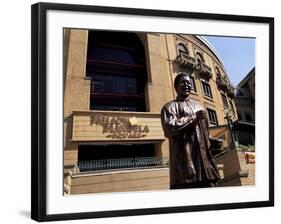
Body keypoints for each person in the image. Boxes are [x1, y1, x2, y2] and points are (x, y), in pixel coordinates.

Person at [161, 73, 221, 189]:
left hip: (204, 164)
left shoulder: (198, 107)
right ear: (176, 86)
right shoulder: (169, 107)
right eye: (183, 82)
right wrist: (193, 118)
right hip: (185, 163)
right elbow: (169, 128)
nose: (187, 85)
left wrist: (211, 141)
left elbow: (204, 132)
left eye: (189, 82)